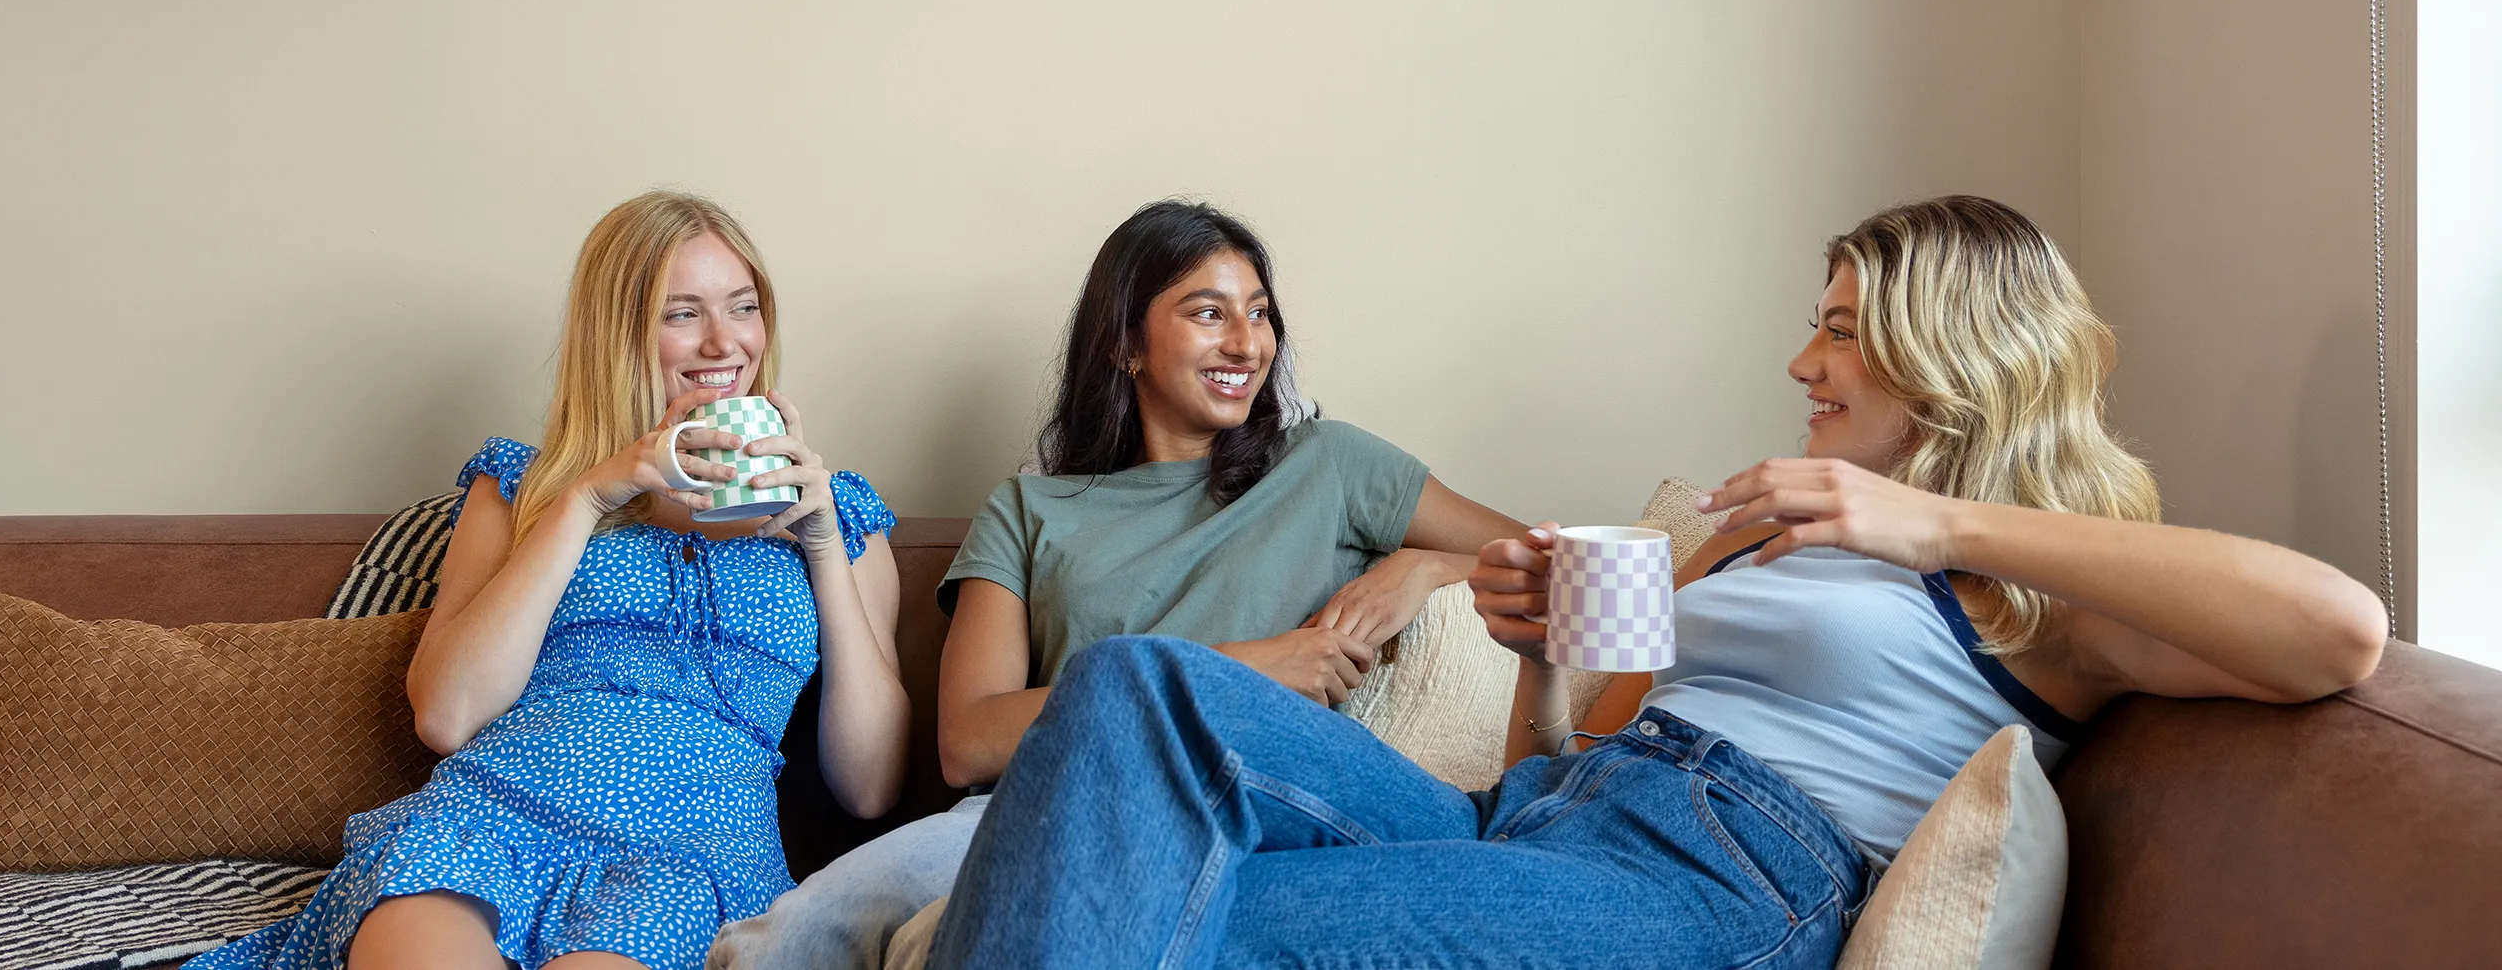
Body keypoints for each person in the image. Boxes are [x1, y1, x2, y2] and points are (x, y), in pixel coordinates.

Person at [926, 195, 2389, 969]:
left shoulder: (2039, 591)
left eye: (1839, 331)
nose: (1802, 362)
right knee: (1131, 684)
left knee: (1200, 924)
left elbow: (2339, 631)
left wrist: (1937, 524)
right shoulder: (1753, 528)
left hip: (1721, 876)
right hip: (1546, 815)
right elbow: (1562, 748)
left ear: (1949, 351)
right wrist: (1538, 649)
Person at [707, 200, 1526, 967]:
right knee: (793, 934)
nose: (1247, 344)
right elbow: (967, 740)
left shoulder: (1332, 466)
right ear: (1126, 344)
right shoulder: (1029, 509)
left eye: (1259, 313)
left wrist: (1426, 567)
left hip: (1249, 809)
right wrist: (1246, 667)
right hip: (1044, 806)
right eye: (1209, 313)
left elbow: (1549, 561)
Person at [194, 193, 910, 970]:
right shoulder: (524, 488)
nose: (724, 341)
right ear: (616, 334)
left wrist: (822, 543)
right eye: (682, 314)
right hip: (485, 819)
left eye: (743, 307)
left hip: (689, 859)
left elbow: (871, 785)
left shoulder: (838, 516)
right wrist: (590, 494)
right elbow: (447, 715)